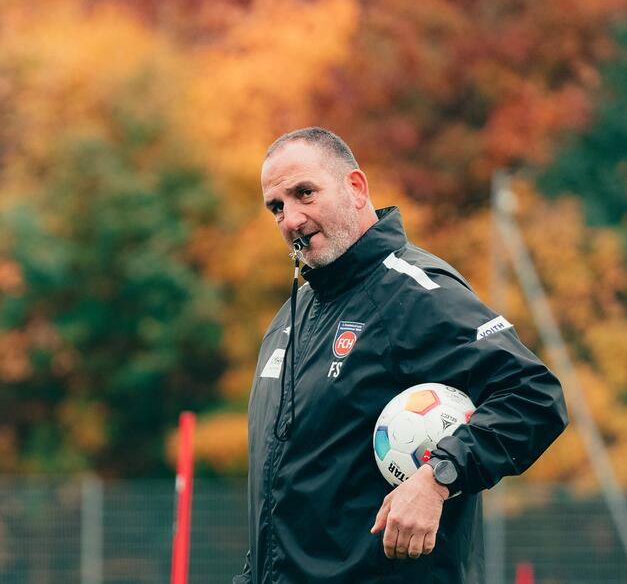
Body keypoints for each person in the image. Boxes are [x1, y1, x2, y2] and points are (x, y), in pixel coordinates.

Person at [234, 127, 568, 583]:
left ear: (356, 188)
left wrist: (438, 477)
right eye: (277, 206)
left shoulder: (413, 293)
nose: (291, 218)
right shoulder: (286, 323)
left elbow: (533, 396)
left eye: (305, 193)